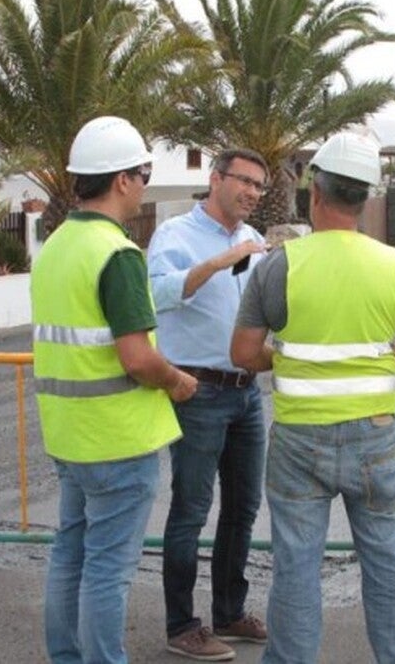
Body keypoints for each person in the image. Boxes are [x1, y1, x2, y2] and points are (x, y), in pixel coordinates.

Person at [230, 132, 395, 664]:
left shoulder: (280, 265)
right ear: (365, 200)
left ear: (313, 195)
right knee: (389, 556)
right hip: (375, 435)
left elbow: (243, 353)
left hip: (299, 439)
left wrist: (294, 359)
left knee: (298, 563)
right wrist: (377, 358)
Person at [30, 116, 198, 664]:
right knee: (107, 568)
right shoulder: (118, 254)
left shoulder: (55, 247)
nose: (145, 184)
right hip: (117, 441)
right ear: (122, 180)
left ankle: (67, 658)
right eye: (144, 173)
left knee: (70, 555)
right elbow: (137, 357)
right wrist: (176, 380)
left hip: (70, 435)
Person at [147, 148, 272, 661]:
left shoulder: (255, 241)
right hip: (197, 392)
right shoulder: (175, 234)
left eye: (259, 186)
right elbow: (157, 294)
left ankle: (229, 612)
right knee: (191, 511)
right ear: (215, 178)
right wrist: (220, 262)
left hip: (246, 391)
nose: (252, 193)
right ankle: (182, 625)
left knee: (243, 508)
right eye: (244, 181)